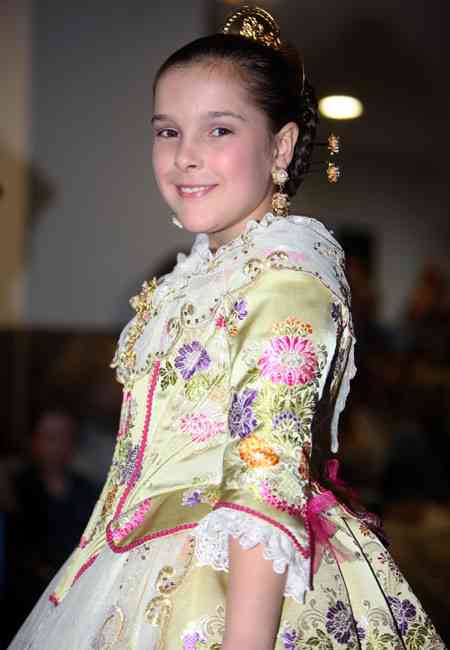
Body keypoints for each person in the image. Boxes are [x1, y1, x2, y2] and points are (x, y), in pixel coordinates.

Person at [8, 6, 444, 649]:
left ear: (282, 146)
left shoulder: (285, 281)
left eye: (218, 129)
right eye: (167, 131)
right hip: (133, 572)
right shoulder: (200, 276)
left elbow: (264, 488)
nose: (185, 156)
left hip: (229, 590)